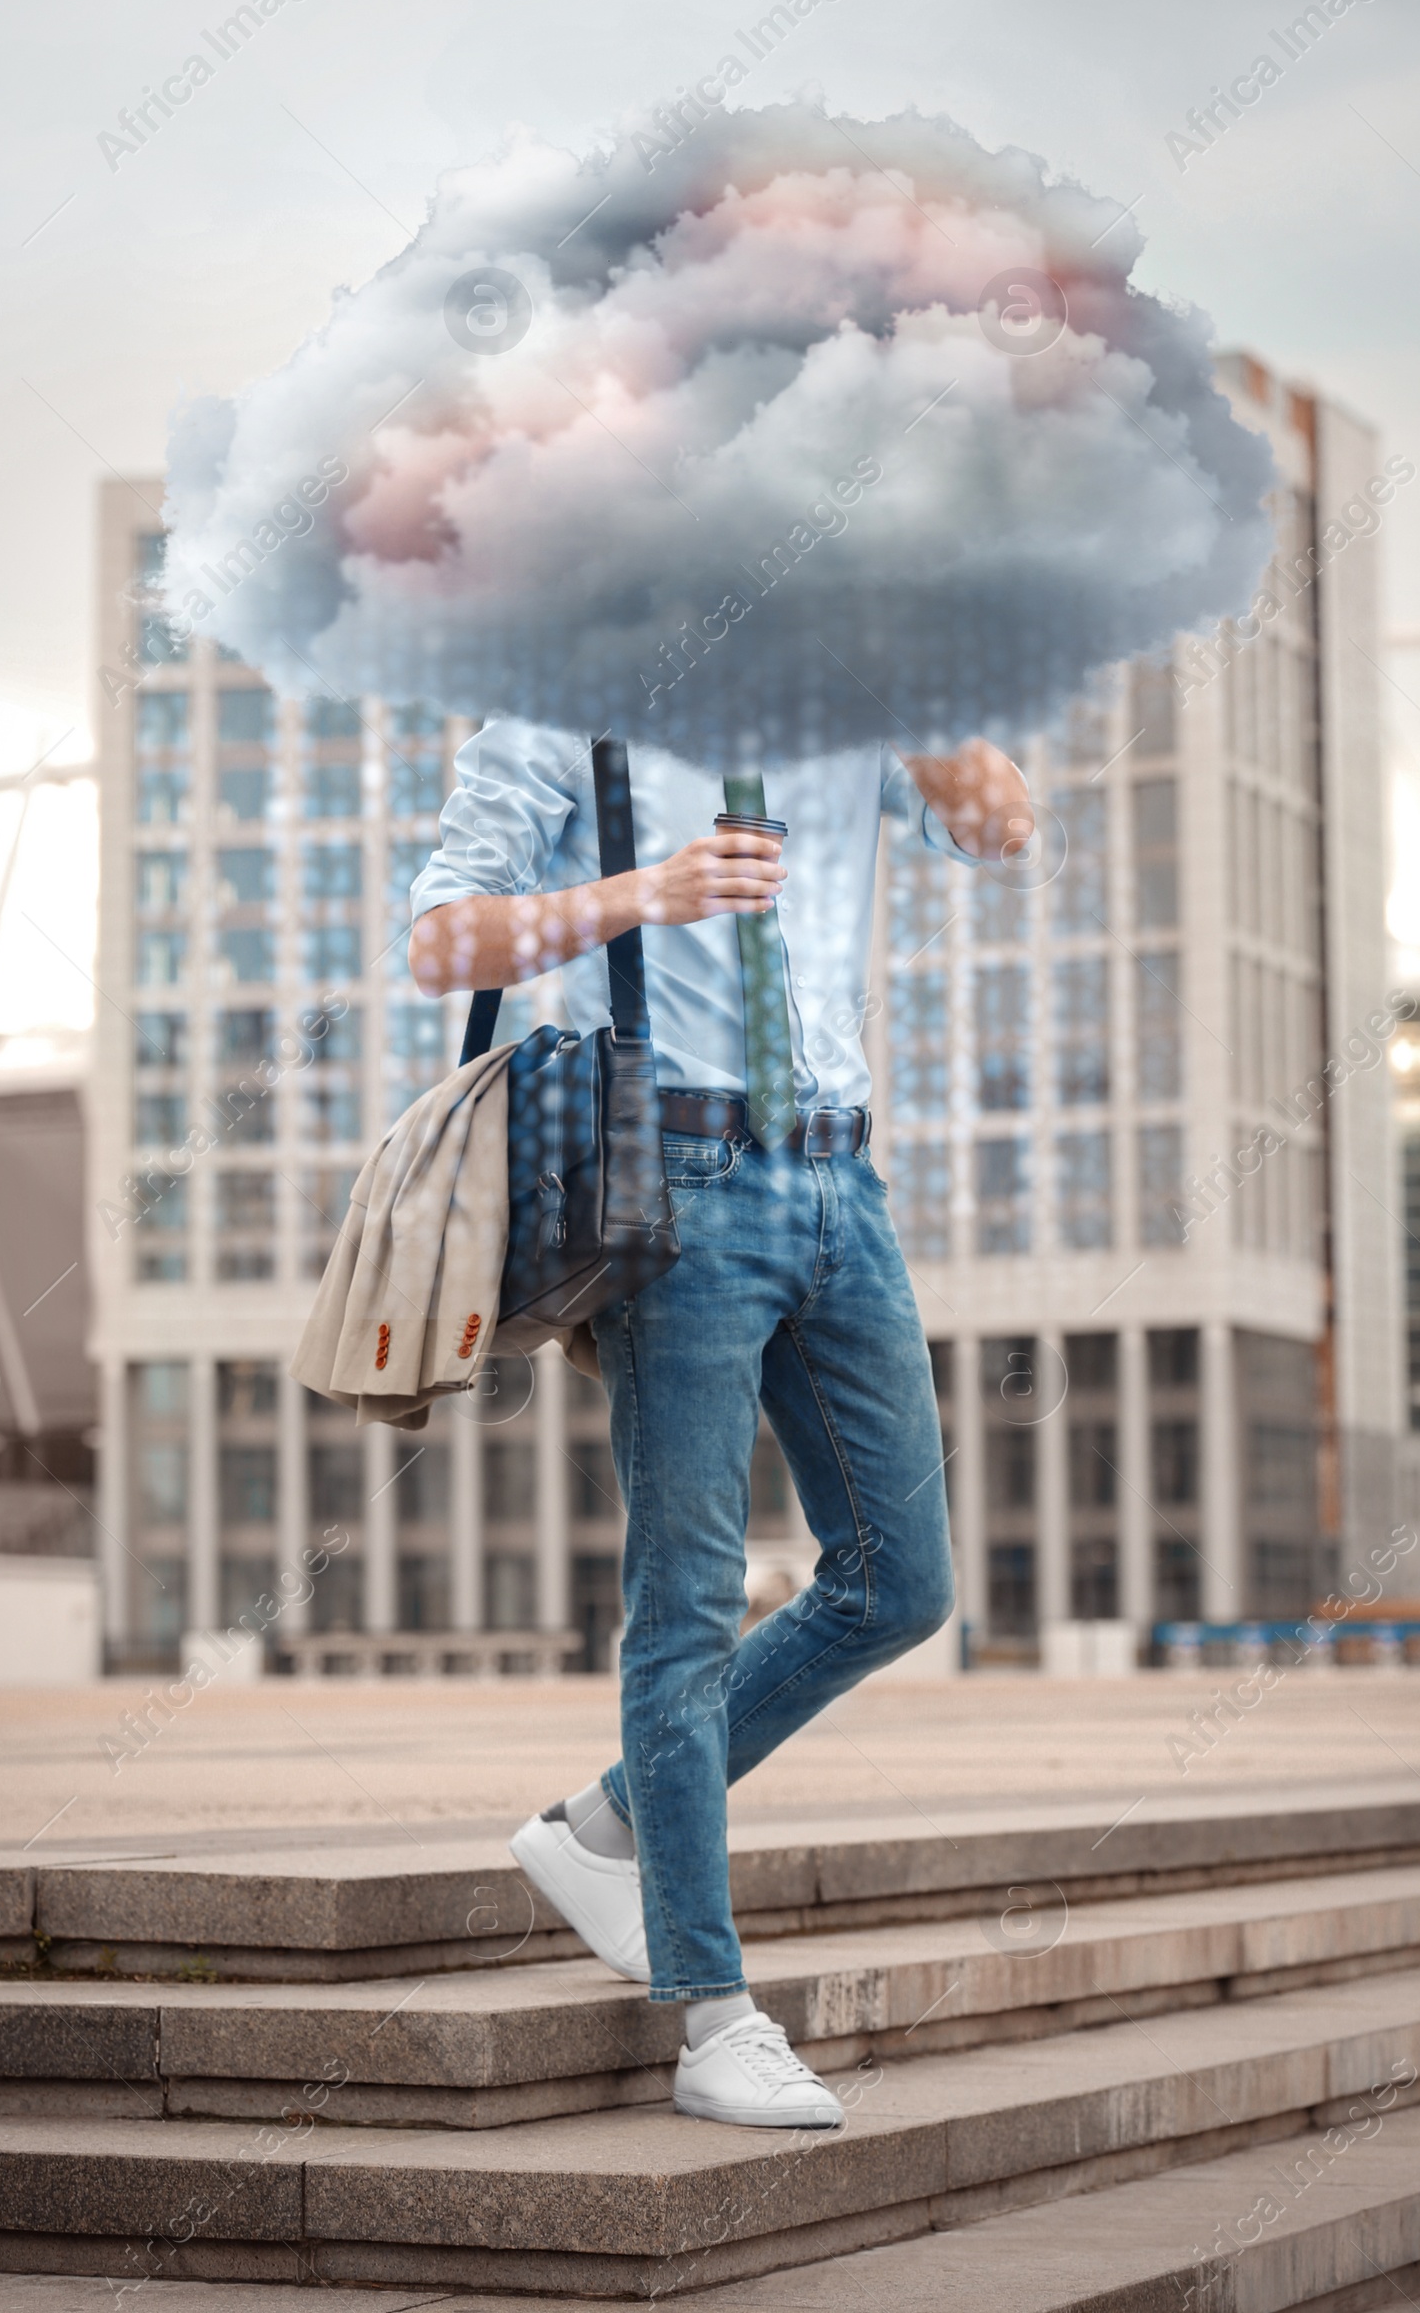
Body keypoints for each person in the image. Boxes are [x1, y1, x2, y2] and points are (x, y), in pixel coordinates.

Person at [409, 720, 1032, 2128]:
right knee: (683, 1598)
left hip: (838, 1181)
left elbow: (1000, 823)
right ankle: (710, 2015)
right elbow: (444, 941)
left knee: (900, 1581)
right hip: (671, 1171)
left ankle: (613, 1823)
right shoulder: (558, 703)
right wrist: (646, 894)